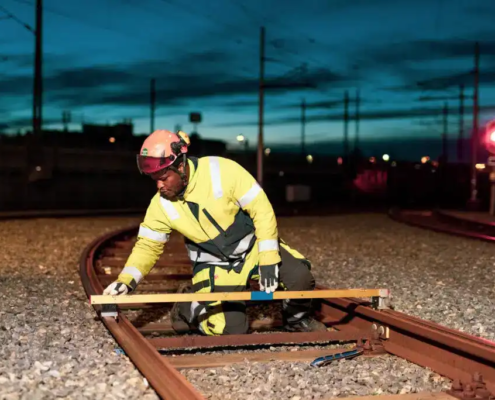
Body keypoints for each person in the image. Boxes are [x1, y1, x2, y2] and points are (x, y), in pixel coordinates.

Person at [103, 129, 327, 335]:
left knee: (300, 277)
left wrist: (269, 257)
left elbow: (262, 209)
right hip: (215, 264)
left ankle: (297, 321)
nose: (159, 186)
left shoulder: (223, 171)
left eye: (163, 178)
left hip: (253, 250)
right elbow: (148, 246)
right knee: (232, 330)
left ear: (180, 166)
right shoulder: (160, 205)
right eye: (155, 180)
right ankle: (188, 304)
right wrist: (126, 280)